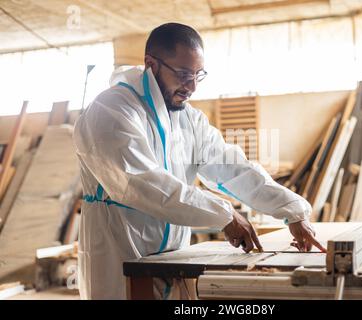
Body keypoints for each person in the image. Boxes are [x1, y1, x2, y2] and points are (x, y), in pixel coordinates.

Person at [73, 22, 326, 300]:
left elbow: (233, 168)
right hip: (120, 258)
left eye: (198, 74)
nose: (192, 86)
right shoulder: (112, 110)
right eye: (183, 74)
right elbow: (141, 184)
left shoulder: (187, 119)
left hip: (174, 260)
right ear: (151, 64)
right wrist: (223, 214)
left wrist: (292, 210)